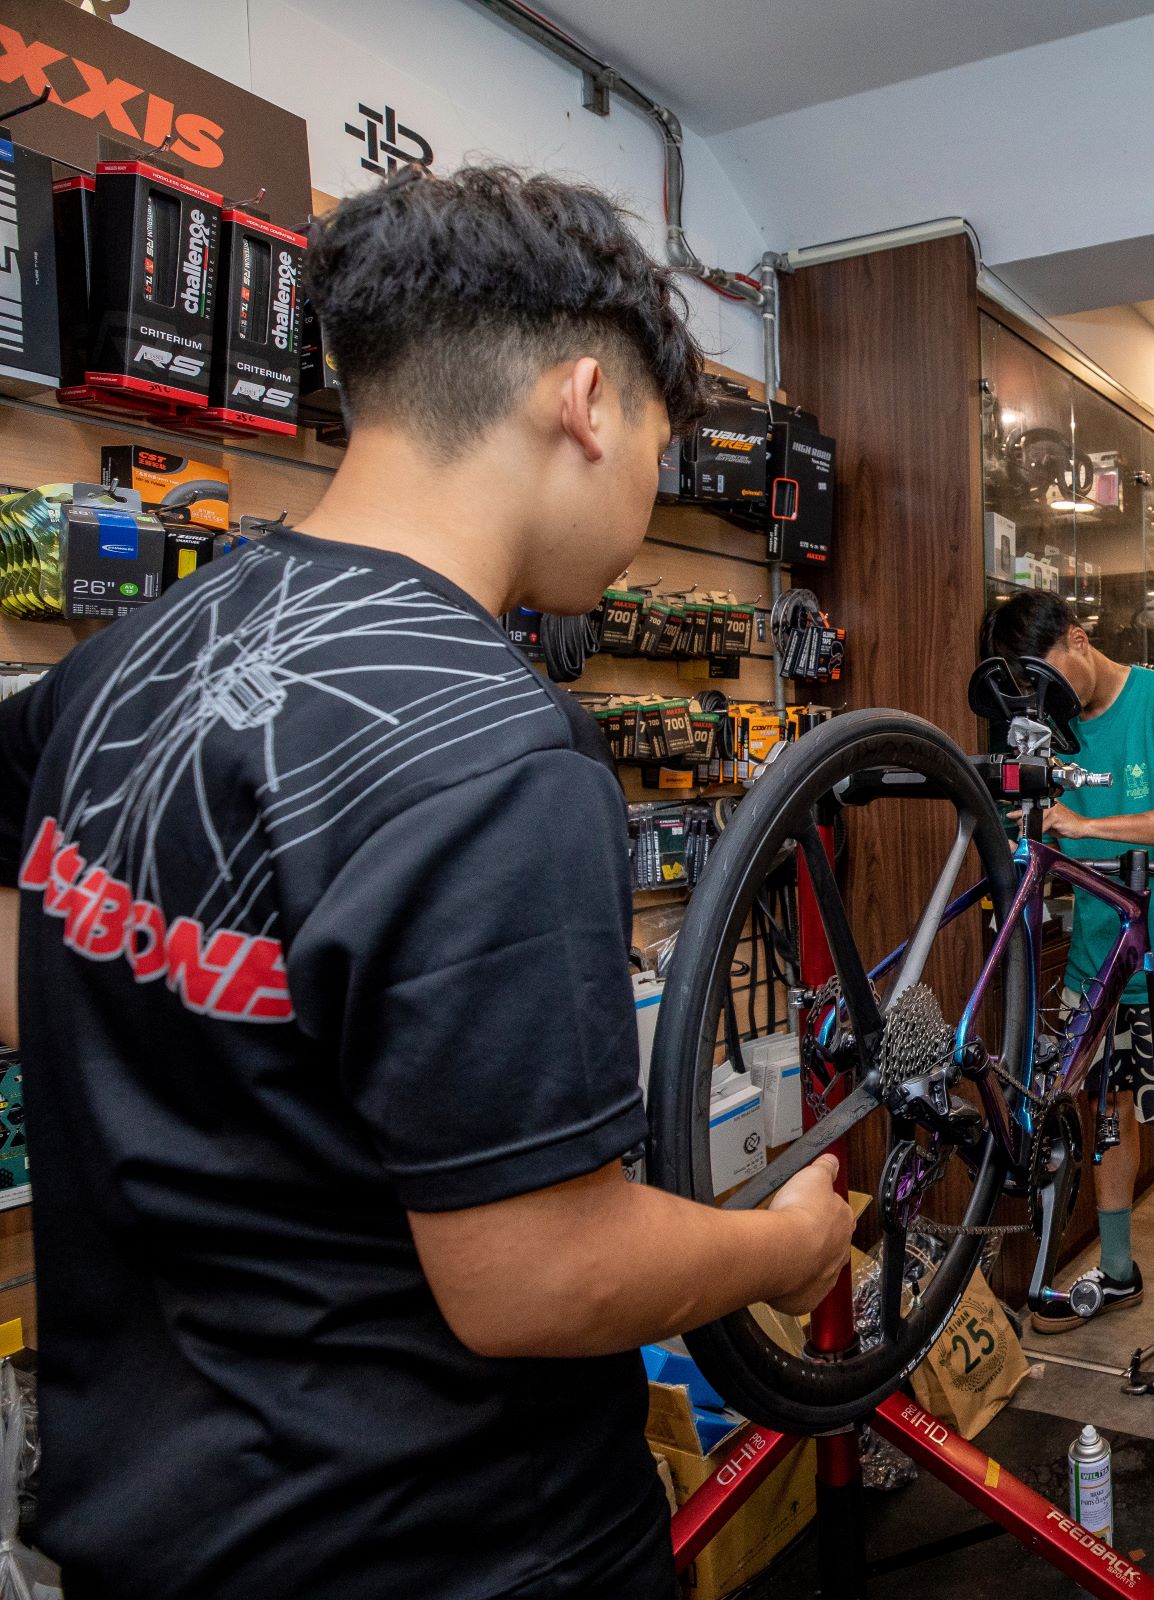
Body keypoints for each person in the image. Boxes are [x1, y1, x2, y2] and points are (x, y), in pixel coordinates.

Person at [0, 167, 857, 1599]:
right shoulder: (495, 752)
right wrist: (776, 1249)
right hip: (443, 1548)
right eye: (660, 436)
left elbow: (62, 967)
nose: (651, 488)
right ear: (586, 403)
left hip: (143, 1530)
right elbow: (541, 1276)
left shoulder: (140, 649)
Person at [983, 590, 1154, 1381]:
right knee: (1104, 1110)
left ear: (1078, 638)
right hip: (1097, 959)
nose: (1043, 699)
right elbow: (1039, 822)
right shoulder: (1053, 728)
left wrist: (1087, 824)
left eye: (1046, 675)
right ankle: (1117, 1269)